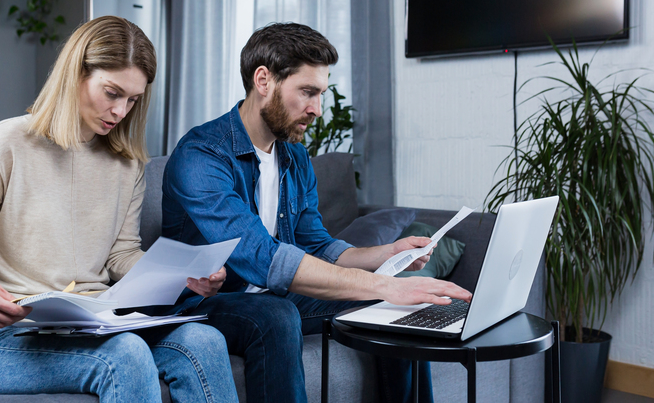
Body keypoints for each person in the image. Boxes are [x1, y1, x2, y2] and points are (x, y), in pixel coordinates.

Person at [161, 22, 473, 403]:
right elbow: (261, 258)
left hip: (280, 293)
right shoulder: (201, 155)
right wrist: (386, 283)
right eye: (307, 92)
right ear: (264, 80)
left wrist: (385, 255)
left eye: (321, 94)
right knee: (275, 315)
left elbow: (316, 244)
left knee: (392, 307)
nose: (317, 110)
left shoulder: (294, 156)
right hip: (204, 304)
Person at [0, 16, 238, 403]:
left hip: (98, 323)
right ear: (76, 74)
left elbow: (120, 255)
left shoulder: (126, 164)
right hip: (11, 337)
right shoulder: (5, 144)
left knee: (205, 339)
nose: (120, 111)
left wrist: (185, 276)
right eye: (112, 93)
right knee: (125, 355)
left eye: (133, 100)